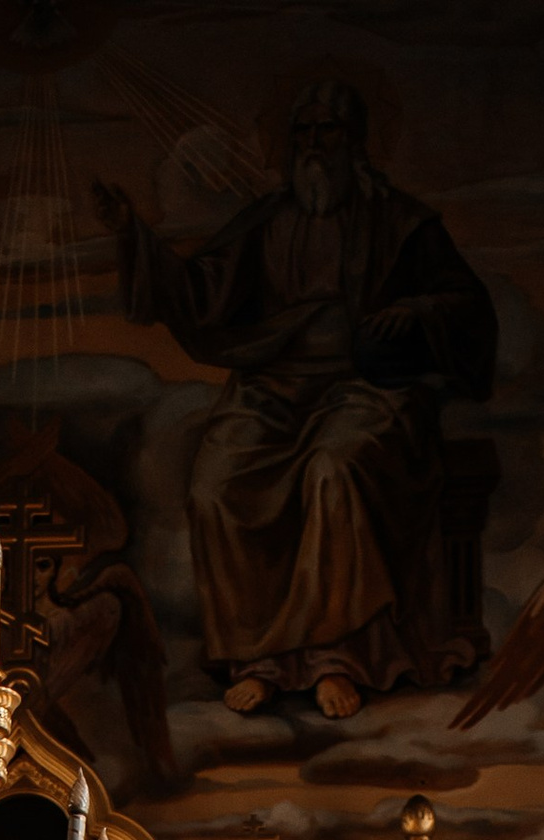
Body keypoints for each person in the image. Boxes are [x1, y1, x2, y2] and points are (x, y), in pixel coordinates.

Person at [95, 82, 495, 720]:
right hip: (272, 386)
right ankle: (259, 661)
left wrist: (415, 309)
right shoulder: (269, 221)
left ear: (355, 141)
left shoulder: (400, 221)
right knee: (214, 487)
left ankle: (335, 655)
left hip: (368, 388)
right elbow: (201, 291)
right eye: (302, 132)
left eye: (326, 131)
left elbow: (467, 305)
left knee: (332, 472)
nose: (312, 145)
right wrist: (134, 237)